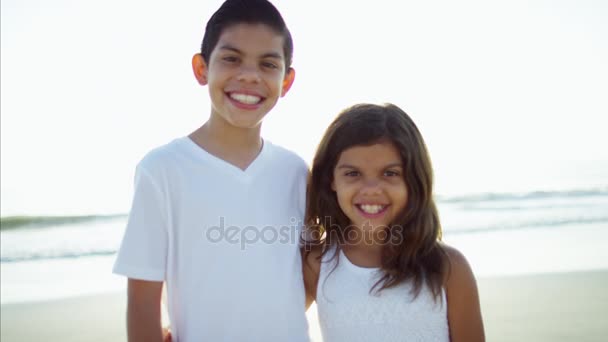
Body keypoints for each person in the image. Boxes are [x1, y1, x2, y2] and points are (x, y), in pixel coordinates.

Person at [113, 0, 310, 341]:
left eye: (268, 64)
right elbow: (142, 300)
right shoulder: (162, 170)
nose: (249, 75)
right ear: (202, 69)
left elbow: (305, 278)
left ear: (287, 81)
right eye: (231, 59)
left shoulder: (296, 171)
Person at [302, 103, 485, 341]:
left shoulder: (448, 267)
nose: (371, 190)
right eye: (353, 173)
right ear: (331, 180)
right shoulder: (318, 263)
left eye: (390, 173)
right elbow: (270, 321)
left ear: (414, 180)